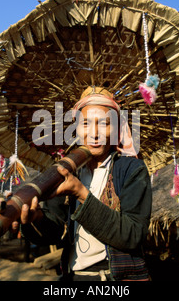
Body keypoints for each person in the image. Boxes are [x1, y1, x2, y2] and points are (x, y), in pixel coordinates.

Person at [20, 87, 152, 281]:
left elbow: (133, 236)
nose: (94, 133)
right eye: (85, 124)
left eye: (104, 123)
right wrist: (36, 217)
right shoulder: (69, 171)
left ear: (115, 127)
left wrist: (80, 192)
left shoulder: (132, 170)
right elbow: (57, 233)